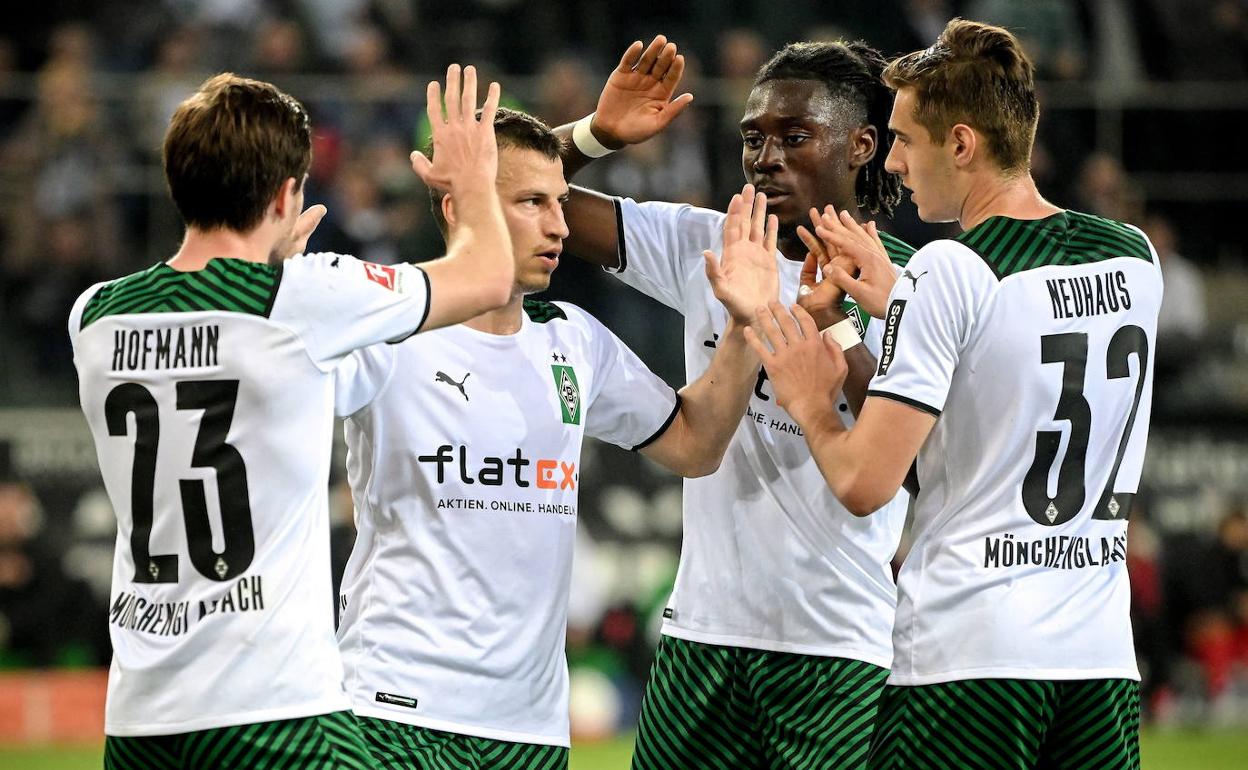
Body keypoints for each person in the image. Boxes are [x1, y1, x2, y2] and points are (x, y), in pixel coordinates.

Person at [69, 65, 516, 768]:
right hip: (276, 710)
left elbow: (211, 346)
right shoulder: (304, 296)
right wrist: (471, 182)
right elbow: (489, 275)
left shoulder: (93, 312)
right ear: (286, 194)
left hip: (141, 717)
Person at [748, 19, 1161, 768]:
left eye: (905, 139)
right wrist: (864, 320)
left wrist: (811, 396)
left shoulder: (948, 271)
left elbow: (867, 481)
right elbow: (1000, 390)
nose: (896, 162)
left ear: (962, 143)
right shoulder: (1132, 256)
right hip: (1096, 660)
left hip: (970, 658)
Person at [332, 106, 777, 770]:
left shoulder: (572, 339)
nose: (561, 225)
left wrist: (744, 327)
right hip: (394, 708)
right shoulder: (387, 325)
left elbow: (695, 444)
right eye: (532, 202)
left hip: (531, 729)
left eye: (561, 202)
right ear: (458, 207)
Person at [555, 36, 915, 768]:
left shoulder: (911, 284)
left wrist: (830, 322)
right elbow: (503, 195)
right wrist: (596, 134)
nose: (766, 156)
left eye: (795, 136)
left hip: (836, 648)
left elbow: (910, 459)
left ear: (862, 144)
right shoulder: (707, 247)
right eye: (754, 138)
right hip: (700, 640)